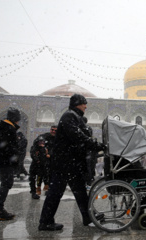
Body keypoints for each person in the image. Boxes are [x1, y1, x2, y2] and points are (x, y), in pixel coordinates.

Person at [38, 94, 104, 231]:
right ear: (77, 104)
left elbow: (81, 136)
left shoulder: (75, 116)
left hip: (71, 162)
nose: (86, 106)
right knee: (56, 193)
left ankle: (88, 217)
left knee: (80, 191)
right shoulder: (69, 116)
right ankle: (45, 222)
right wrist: (95, 145)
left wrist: (94, 145)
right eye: (84, 103)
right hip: (64, 163)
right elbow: (77, 136)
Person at [0, 107, 21, 222]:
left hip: (5, 160)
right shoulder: (8, 129)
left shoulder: (6, 127)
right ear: (15, 118)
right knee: (6, 183)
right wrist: (14, 156)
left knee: (6, 183)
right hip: (6, 161)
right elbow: (6, 147)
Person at [37, 125, 58, 193]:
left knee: (51, 175)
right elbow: (39, 146)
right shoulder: (44, 137)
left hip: (52, 160)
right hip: (43, 159)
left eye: (55, 130)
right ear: (50, 130)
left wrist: (50, 154)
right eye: (52, 130)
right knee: (40, 175)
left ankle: (48, 188)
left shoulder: (58, 139)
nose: (53, 131)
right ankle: (37, 189)